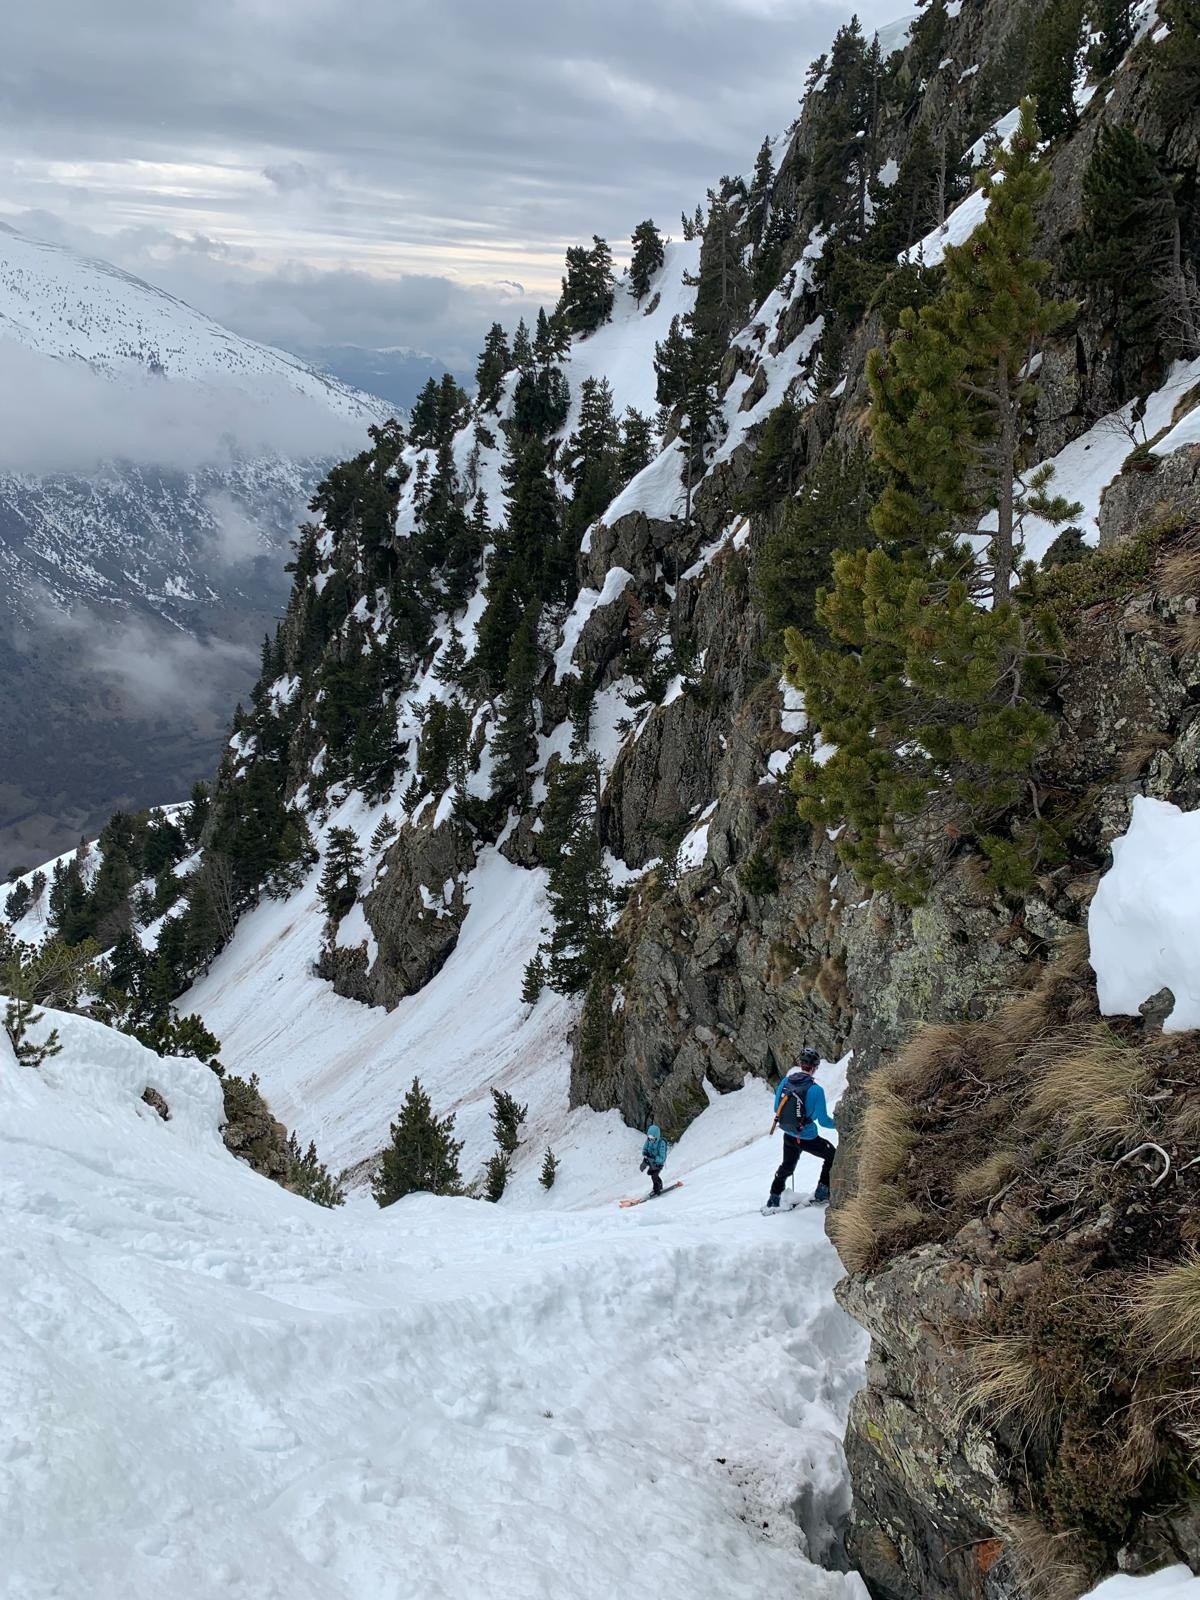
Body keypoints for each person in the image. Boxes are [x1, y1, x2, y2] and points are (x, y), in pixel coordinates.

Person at [765, 1047, 837, 1208]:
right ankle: (822, 1192)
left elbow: (776, 1108)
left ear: (800, 1064)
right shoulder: (816, 1090)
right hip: (808, 1138)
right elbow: (824, 1121)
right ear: (815, 1067)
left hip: (789, 1135)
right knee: (832, 1156)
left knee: (787, 1166)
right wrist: (839, 1125)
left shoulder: (785, 1082)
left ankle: (774, 1196)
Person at [640, 1123, 669, 1195]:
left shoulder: (661, 1143)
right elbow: (645, 1148)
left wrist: (654, 1157)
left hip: (658, 1163)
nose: (650, 1140)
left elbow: (662, 1158)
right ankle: (659, 1185)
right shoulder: (649, 1141)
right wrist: (645, 1152)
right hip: (651, 1161)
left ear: (657, 1136)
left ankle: (657, 1188)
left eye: (652, 1138)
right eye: (649, 1138)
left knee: (654, 1176)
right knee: (652, 1174)